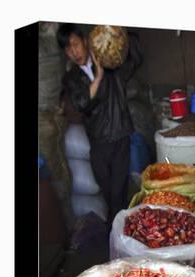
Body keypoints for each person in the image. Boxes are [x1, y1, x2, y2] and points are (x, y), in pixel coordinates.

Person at [57, 23, 142, 225]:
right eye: (68, 49)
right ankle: (117, 235)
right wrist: (98, 77)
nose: (73, 52)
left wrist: (123, 34)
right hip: (99, 143)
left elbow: (136, 58)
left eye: (75, 44)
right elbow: (81, 104)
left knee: (118, 193)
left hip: (119, 135)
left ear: (85, 41)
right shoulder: (71, 78)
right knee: (107, 192)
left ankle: (116, 237)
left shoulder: (112, 65)